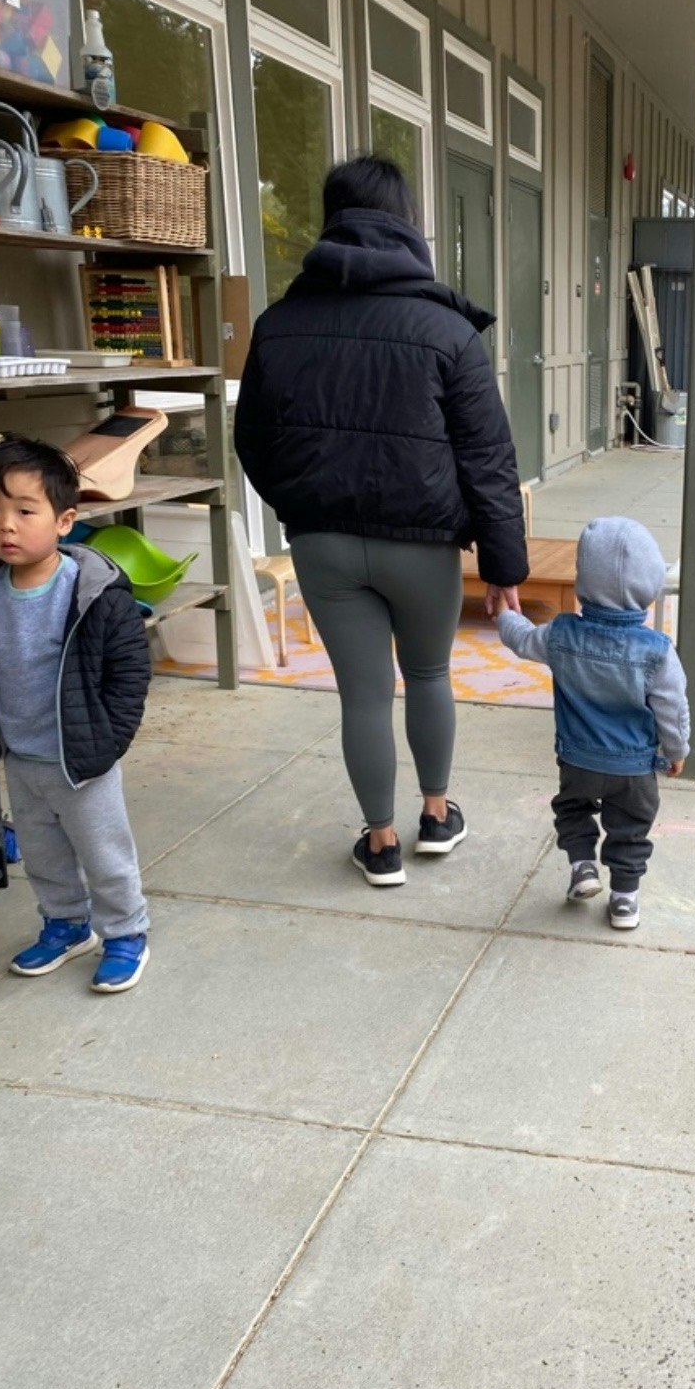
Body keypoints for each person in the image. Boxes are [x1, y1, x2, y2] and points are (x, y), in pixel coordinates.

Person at [235, 156, 529, 888]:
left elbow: (253, 441)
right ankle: (435, 816)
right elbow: (489, 458)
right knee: (428, 674)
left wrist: (301, 506)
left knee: (363, 693)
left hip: (324, 545)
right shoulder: (446, 329)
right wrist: (503, 567)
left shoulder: (279, 326)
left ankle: (381, 842)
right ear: (407, 224)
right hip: (423, 546)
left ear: (331, 220)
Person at [0, 437, 151, 991]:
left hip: (81, 759)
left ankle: (126, 931)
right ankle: (66, 925)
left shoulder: (91, 592)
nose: (7, 526)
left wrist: (108, 741)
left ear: (65, 520)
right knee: (44, 854)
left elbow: (128, 674)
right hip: (21, 758)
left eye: (25, 512)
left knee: (104, 852)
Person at [497, 517, 689, 932]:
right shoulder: (657, 651)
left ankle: (583, 866)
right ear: (650, 586)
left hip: (578, 761)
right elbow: (672, 708)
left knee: (571, 809)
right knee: (631, 829)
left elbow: (521, 640)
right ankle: (624, 900)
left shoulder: (561, 634)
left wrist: (504, 616)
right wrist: (676, 750)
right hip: (634, 769)